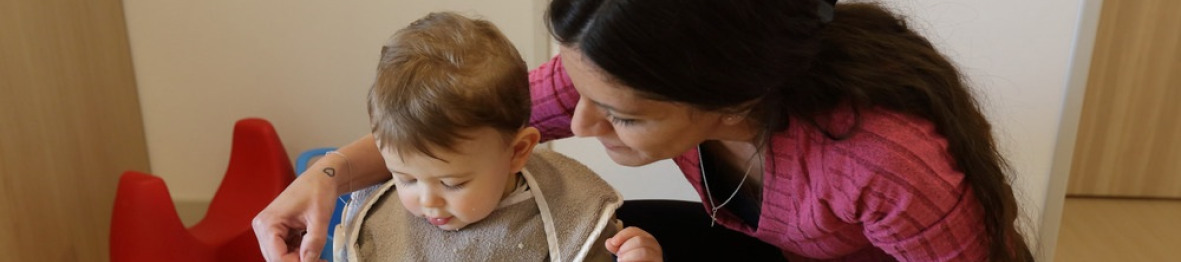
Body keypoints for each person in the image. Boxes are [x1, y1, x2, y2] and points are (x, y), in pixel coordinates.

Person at [255, 0, 1035, 261]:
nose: (581, 124)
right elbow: (461, 126)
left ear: (729, 100)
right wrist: (323, 178)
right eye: (578, 91)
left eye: (622, 116)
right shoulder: (617, 67)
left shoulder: (885, 163)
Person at [266, 12, 659, 262]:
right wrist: (326, 176)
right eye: (404, 178)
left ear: (518, 151)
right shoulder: (386, 222)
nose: (426, 200)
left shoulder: (568, 210)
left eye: (453, 183)